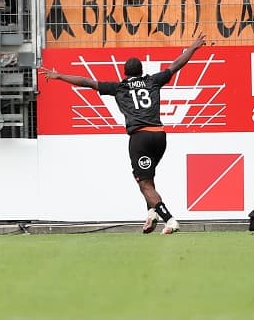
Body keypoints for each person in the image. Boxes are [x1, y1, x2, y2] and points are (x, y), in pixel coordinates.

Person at [42, 36, 207, 235]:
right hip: (160, 136)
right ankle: (151, 213)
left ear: (125, 73)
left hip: (140, 138)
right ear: (141, 71)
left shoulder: (119, 87)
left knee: (144, 182)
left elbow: (86, 82)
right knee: (147, 177)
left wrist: (58, 75)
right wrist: (193, 47)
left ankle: (169, 219)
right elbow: (176, 64)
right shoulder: (153, 81)